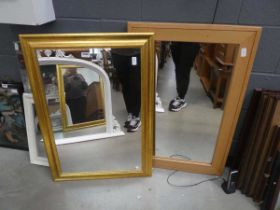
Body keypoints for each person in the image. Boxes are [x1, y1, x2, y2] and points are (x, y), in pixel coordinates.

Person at [111, 48, 141, 132]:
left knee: (135, 83)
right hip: (117, 51)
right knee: (125, 84)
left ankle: (135, 115)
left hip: (135, 51)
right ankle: (131, 112)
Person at [169, 42, 200, 112]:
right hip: (176, 40)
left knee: (184, 70)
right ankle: (179, 95)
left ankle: (181, 98)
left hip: (191, 41)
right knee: (178, 68)